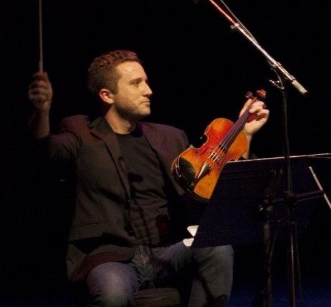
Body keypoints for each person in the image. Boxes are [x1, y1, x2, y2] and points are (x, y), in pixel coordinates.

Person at [26, 49, 269, 306]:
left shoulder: (169, 137)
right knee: (113, 296)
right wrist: (41, 112)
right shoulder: (80, 133)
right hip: (111, 258)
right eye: (136, 84)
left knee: (218, 248)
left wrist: (244, 134)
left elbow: (215, 182)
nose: (148, 90)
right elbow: (44, 154)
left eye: (146, 81)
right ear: (107, 95)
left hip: (168, 252)